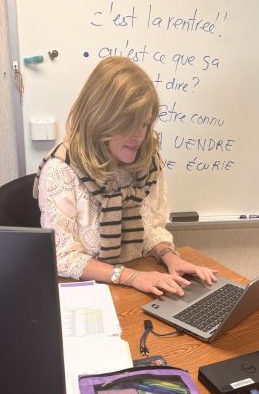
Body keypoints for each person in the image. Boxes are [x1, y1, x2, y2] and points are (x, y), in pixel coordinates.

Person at [33, 57, 217, 296]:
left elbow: (151, 230)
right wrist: (130, 277)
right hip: (89, 293)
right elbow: (63, 257)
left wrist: (170, 257)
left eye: (145, 124)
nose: (139, 136)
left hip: (141, 282)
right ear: (100, 119)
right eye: (128, 125)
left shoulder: (149, 161)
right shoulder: (61, 171)